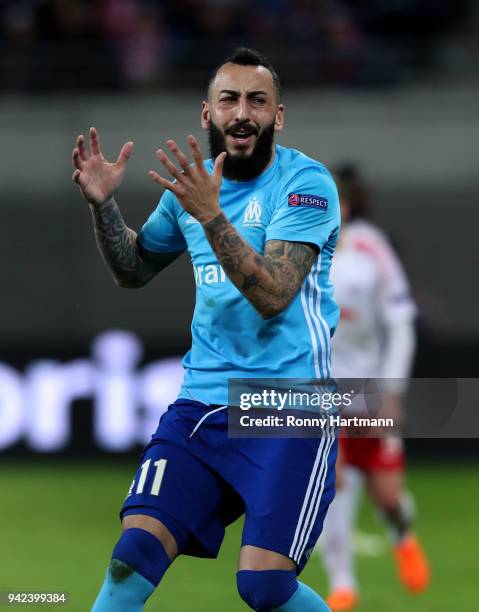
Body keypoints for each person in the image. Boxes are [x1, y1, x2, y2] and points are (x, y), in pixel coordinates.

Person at [72, 47, 341, 612]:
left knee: (263, 587)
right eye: (229, 100)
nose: (242, 112)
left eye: (257, 101)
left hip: (288, 410)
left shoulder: (306, 184)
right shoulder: (188, 194)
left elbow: (273, 295)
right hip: (200, 408)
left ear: (278, 116)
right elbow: (134, 270)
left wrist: (213, 214)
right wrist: (104, 206)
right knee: (129, 560)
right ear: (207, 113)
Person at [317, 164, 431, 611]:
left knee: (388, 495)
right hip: (321, 388)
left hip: (369, 387)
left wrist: (392, 389)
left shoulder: (371, 249)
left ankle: (403, 534)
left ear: (346, 206)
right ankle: (343, 585)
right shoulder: (296, 249)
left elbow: (401, 324)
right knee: (334, 481)